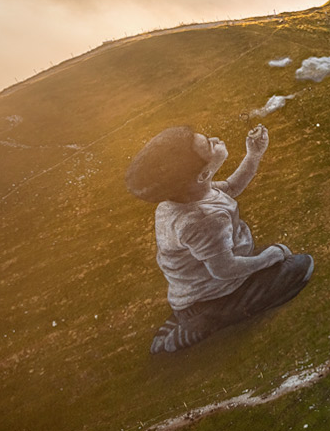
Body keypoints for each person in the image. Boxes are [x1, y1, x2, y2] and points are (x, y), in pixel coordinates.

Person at [125, 123, 313, 353]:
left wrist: (254, 155)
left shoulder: (184, 196)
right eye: (209, 145)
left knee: (276, 258)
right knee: (299, 266)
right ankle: (209, 319)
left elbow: (232, 187)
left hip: (194, 291)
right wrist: (268, 258)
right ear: (203, 173)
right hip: (217, 291)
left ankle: (184, 316)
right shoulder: (204, 219)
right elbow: (224, 269)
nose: (215, 139)